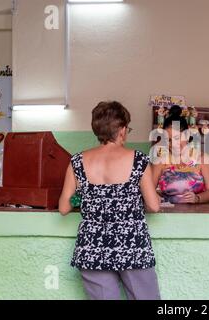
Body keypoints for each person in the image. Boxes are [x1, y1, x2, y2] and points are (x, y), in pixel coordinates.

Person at [58, 101, 161, 300]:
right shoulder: (138, 160)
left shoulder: (77, 161)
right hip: (132, 245)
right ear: (122, 130)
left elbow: (64, 207)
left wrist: (87, 195)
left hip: (92, 248)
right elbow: (154, 206)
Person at [152, 105, 209, 204]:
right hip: (167, 215)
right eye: (168, 140)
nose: (173, 144)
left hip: (195, 215)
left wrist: (197, 198)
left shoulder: (202, 158)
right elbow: (149, 190)